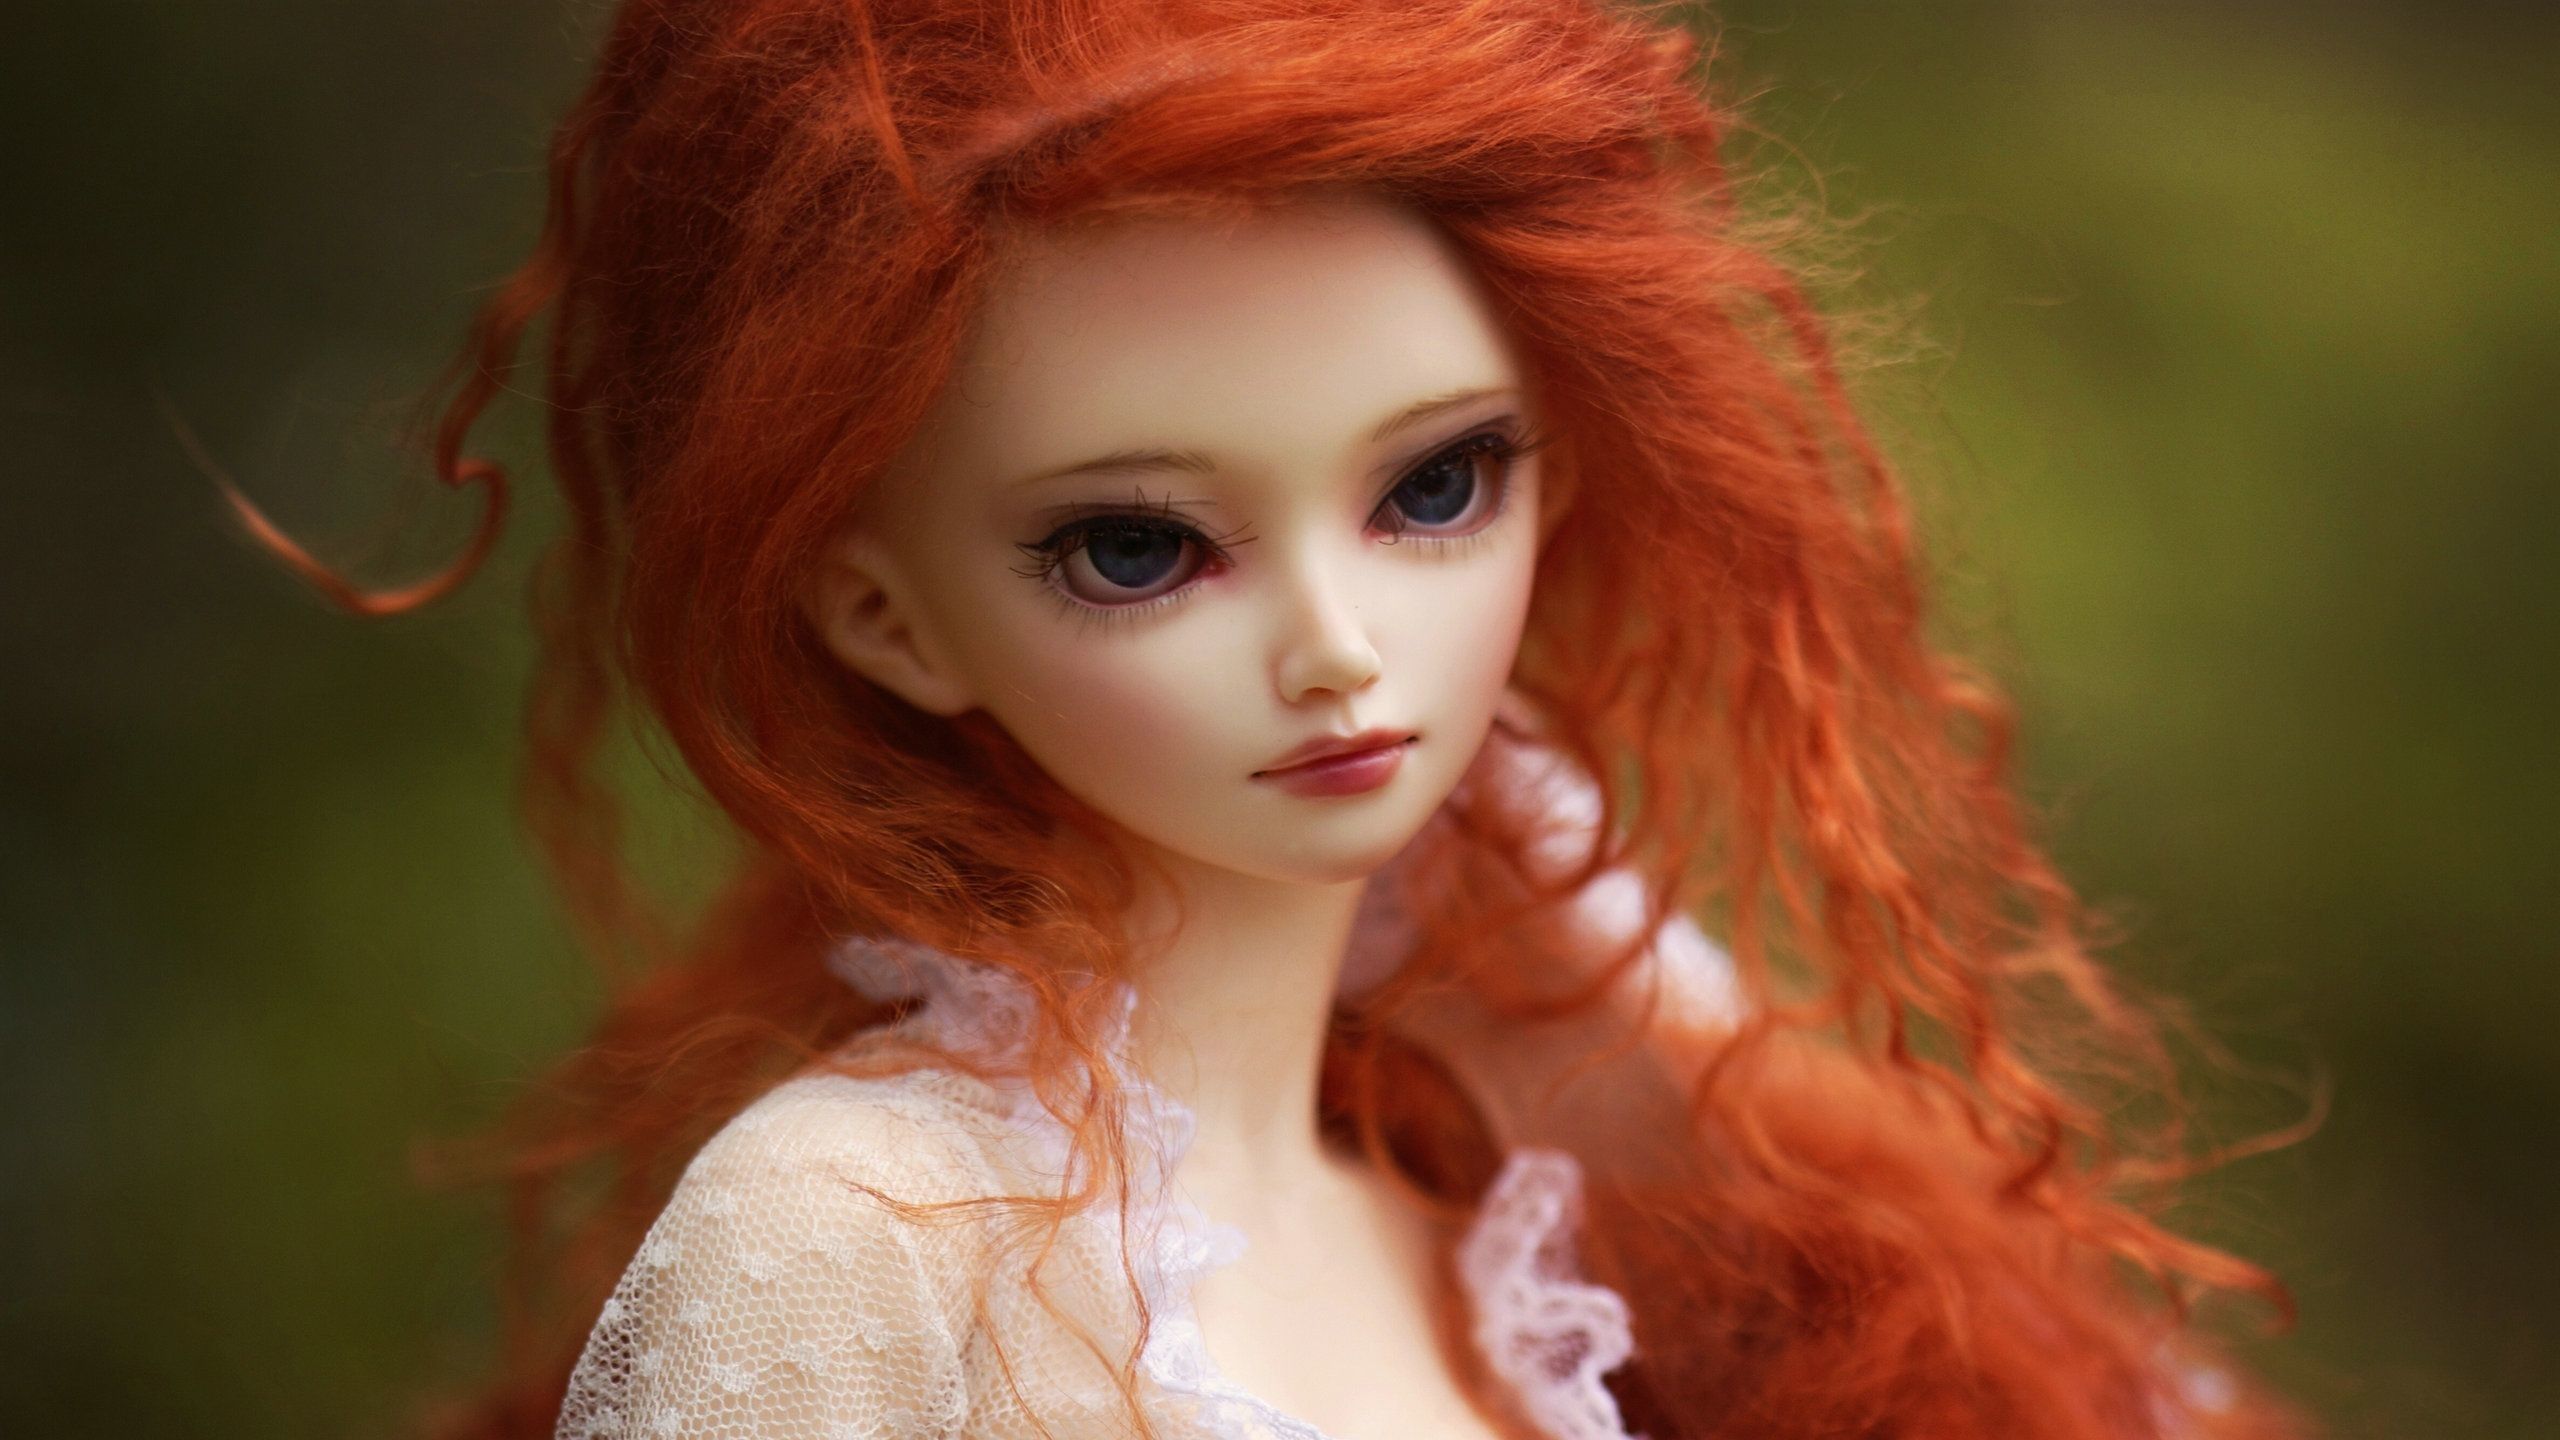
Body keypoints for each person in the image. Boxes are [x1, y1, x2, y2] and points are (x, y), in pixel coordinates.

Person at [225, 2, 2306, 1437]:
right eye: (1136, 546)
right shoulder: (853, 1239)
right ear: (884, 615)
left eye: (1434, 487)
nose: (1337, 647)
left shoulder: (1491, 1247)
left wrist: (1673, 1118)